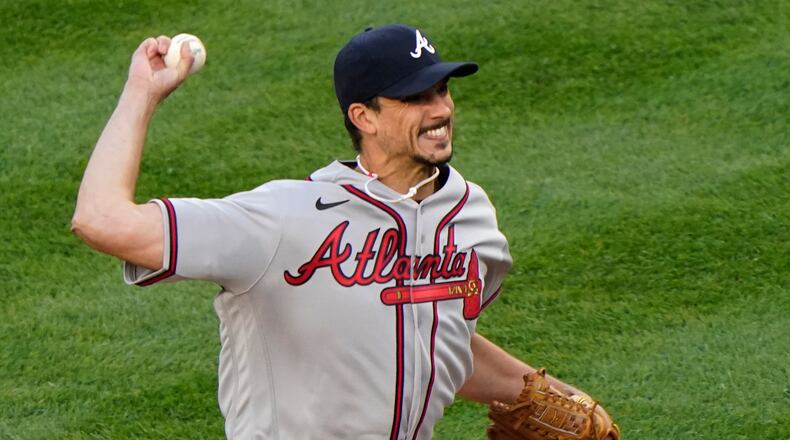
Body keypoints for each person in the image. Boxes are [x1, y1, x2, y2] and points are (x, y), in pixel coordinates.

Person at [73, 24, 594, 439]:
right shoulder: (283, 218)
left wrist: (542, 391)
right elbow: (101, 220)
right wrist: (142, 93)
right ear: (363, 116)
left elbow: (433, 334)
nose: (440, 109)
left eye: (442, 89)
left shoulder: (471, 215)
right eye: (415, 97)